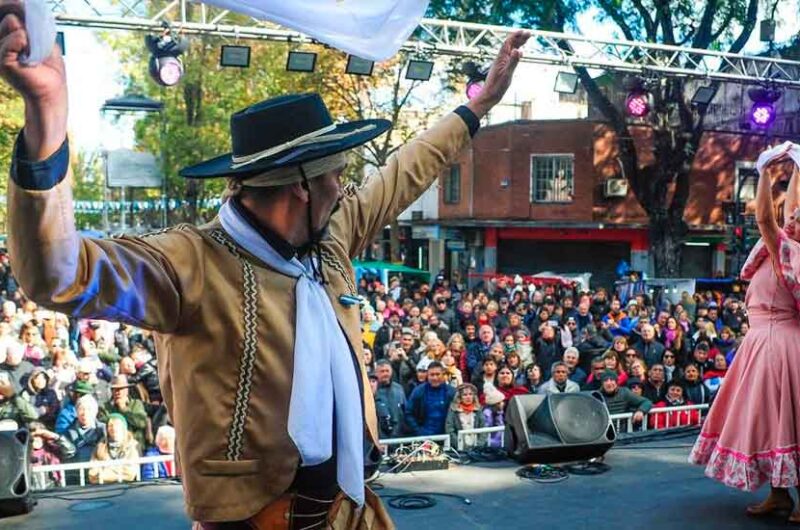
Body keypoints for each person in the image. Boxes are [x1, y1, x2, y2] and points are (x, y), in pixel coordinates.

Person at [0, 7, 530, 525]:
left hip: (351, 511)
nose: (344, 188)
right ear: (300, 187)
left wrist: (479, 106)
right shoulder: (193, 262)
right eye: (335, 176)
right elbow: (57, 273)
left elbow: (404, 172)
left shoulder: (330, 239)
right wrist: (46, 121)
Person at [690, 146, 800, 522]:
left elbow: (768, 222)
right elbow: (787, 215)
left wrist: (765, 174)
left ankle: (788, 495)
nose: (794, 215)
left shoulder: (790, 251)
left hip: (779, 344)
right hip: (768, 342)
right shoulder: (787, 247)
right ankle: (780, 495)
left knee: (788, 421)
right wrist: (798, 167)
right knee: (774, 421)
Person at [405, 362, 457, 437]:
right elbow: (408, 413)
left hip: (447, 436)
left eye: (437, 374)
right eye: (432, 375)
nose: (435, 378)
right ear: (427, 376)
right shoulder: (419, 391)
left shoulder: (451, 392)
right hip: (424, 436)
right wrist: (418, 431)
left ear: (443, 374)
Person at [98, 374, 149, 451]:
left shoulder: (136, 404)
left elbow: (142, 423)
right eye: (115, 389)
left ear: (127, 390)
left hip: (134, 445)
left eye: (121, 389)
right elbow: (103, 425)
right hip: (112, 447)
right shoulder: (105, 407)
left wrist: (124, 409)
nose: (118, 392)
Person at [88, 413, 141, 484]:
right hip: (103, 489)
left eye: (117, 425)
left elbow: (130, 474)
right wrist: (118, 472)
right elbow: (92, 475)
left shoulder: (133, 445)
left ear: (123, 427)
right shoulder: (100, 447)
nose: (113, 428)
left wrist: (104, 474)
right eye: (110, 425)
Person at [444, 383, 487, 450]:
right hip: (459, 448)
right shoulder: (453, 410)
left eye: (470, 394)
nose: (468, 397)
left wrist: (478, 445)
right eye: (465, 395)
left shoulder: (478, 410)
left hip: (477, 449)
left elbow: (483, 429)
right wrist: (459, 445)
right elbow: (450, 430)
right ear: (460, 397)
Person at [373, 360, 405, 439]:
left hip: (398, 436)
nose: (385, 374)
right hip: (380, 439)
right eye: (382, 371)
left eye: (387, 371)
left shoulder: (399, 389)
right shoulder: (372, 391)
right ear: (376, 373)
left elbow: (404, 412)